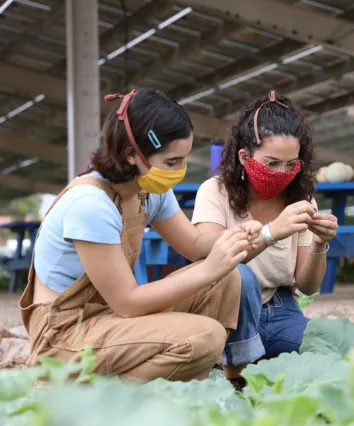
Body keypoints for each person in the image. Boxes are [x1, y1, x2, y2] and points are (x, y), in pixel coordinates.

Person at [18, 88, 263, 382]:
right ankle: (91, 396)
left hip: (108, 317)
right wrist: (211, 267)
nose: (181, 170)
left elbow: (196, 245)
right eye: (172, 162)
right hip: (65, 333)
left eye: (184, 159)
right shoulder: (90, 204)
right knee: (204, 335)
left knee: (226, 278)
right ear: (132, 155)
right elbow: (128, 302)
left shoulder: (148, 191)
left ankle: (181, 376)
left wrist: (244, 235)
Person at [192, 90, 339, 388]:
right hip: (228, 313)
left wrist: (319, 243)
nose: (281, 173)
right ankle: (236, 375)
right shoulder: (214, 191)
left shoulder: (300, 198)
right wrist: (271, 233)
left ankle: (255, 361)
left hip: (280, 309)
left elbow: (308, 285)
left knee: (327, 360)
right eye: (271, 163)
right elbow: (210, 261)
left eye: (290, 164)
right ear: (245, 157)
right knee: (241, 275)